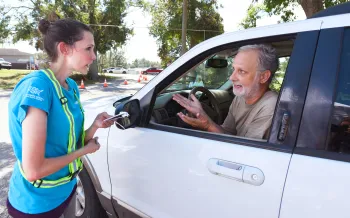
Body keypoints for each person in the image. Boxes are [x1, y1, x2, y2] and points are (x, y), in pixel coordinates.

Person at [6, 18, 115, 218]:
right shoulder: (37, 87)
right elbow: (34, 170)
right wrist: (84, 151)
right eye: (88, 48)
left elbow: (66, 143)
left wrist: (94, 127)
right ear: (64, 48)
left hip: (67, 189)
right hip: (36, 205)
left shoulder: (71, 87)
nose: (93, 56)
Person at [173, 44, 279, 139]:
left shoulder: (271, 105)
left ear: (263, 77)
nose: (232, 77)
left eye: (241, 71)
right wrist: (202, 115)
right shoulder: (240, 98)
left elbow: (247, 152)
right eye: (234, 69)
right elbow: (227, 133)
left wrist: (207, 124)